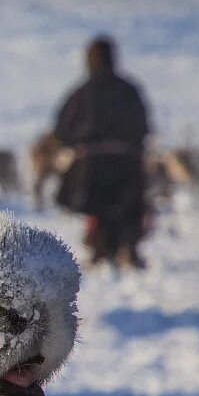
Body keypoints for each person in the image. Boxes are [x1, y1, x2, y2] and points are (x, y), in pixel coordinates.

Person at [53, 35, 151, 269]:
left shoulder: (81, 92)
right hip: (126, 161)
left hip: (90, 165)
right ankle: (127, 248)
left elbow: (62, 129)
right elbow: (143, 126)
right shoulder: (129, 90)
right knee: (126, 206)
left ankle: (100, 248)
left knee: (96, 206)